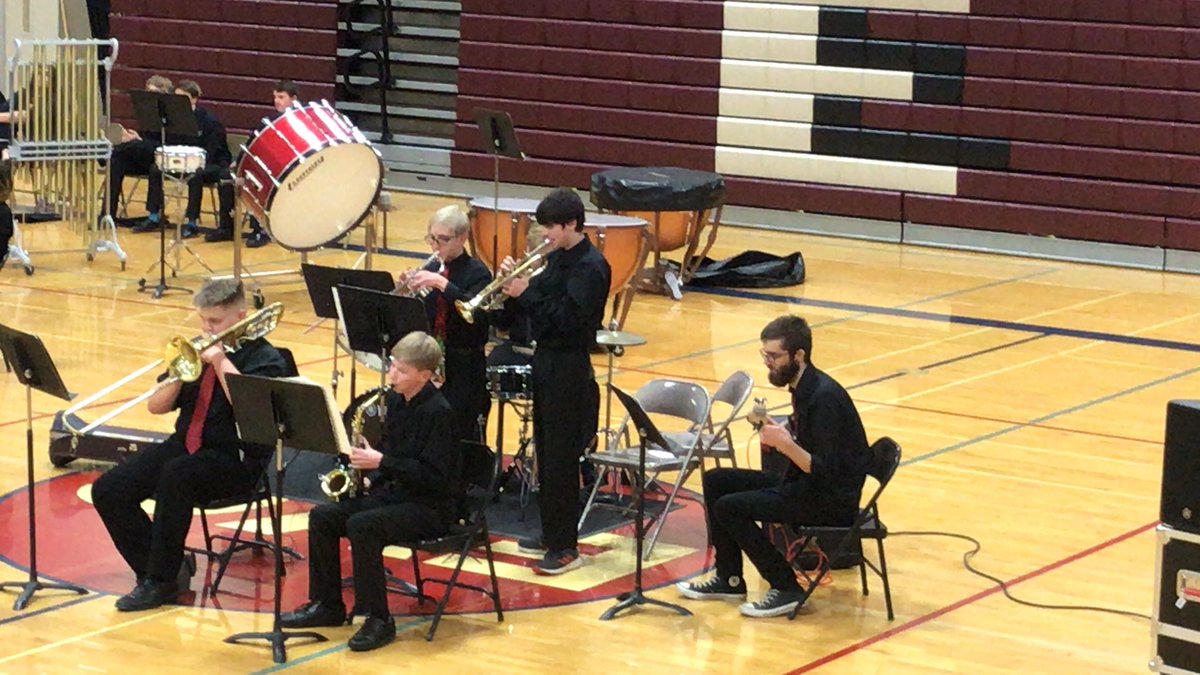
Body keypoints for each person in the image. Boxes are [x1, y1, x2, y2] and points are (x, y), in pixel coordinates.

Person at [91, 279, 288, 611]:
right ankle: (162, 566)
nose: (207, 328)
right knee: (109, 489)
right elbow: (156, 407)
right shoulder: (195, 349)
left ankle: (161, 582)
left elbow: (251, 413)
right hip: (185, 444)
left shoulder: (265, 358)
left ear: (240, 315)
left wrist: (221, 362)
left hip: (235, 457)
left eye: (216, 322)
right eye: (203, 320)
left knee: (176, 475)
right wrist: (181, 371)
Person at [675, 315, 871, 618]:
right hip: (804, 483)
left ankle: (786, 587)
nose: (768, 362)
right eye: (765, 355)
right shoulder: (803, 386)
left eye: (775, 356)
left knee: (730, 507)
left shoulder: (824, 398)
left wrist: (786, 445)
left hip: (829, 500)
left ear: (799, 355)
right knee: (716, 480)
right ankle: (729, 578)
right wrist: (779, 431)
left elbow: (826, 471)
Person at [280, 332, 460, 653]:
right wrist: (370, 476)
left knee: (364, 525)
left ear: (425, 375)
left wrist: (383, 463)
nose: (392, 374)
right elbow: (393, 455)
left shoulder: (439, 412)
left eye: (402, 371)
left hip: (430, 506)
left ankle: (378, 619)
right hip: (395, 495)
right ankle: (327, 604)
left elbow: (435, 477)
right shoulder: (395, 401)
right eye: (392, 365)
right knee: (324, 516)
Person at [499, 187, 610, 575]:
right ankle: (551, 533)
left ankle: (566, 548)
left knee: (562, 460)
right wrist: (514, 284)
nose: (545, 234)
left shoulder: (591, 267)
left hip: (569, 367)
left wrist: (527, 293)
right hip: (547, 363)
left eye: (551, 227)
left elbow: (570, 320)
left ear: (573, 224)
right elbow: (539, 301)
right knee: (545, 455)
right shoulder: (559, 259)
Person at [402, 205, 492, 444]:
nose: (435, 246)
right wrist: (411, 291)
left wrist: (443, 286)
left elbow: (480, 320)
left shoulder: (479, 273)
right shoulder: (432, 267)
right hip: (431, 362)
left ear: (462, 238)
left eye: (443, 239)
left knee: (457, 430)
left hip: (464, 364)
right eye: (432, 238)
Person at [136, 79, 234, 240]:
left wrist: (193, 161)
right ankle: (154, 216)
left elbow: (213, 152)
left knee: (195, 174)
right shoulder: (174, 120)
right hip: (183, 162)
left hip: (211, 164)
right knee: (156, 168)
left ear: (194, 99)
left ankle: (192, 222)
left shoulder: (210, 121)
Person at [237, 79, 301, 248]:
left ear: (293, 99)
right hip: (272, 169)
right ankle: (256, 227)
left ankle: (271, 227)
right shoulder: (269, 120)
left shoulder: (300, 120)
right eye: (275, 97)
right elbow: (252, 144)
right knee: (252, 180)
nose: (277, 101)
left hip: (293, 169)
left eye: (281, 97)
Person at [106, 75, 173, 224]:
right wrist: (137, 136)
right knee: (118, 161)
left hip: (165, 153)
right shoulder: (147, 112)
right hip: (148, 152)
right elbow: (147, 137)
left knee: (124, 149)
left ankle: (108, 154)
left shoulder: (173, 114)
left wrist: (139, 140)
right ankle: (108, 213)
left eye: (153, 92)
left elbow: (167, 141)